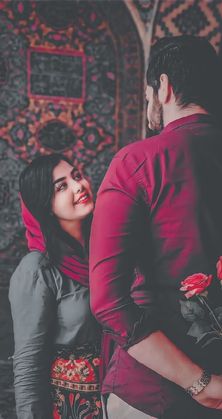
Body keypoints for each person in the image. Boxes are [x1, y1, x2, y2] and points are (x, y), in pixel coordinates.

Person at [89, 35, 222, 419]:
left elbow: (107, 300)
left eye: (149, 92)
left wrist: (201, 383)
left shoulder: (137, 161)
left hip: (152, 395)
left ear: (164, 87)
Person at [9, 154, 103, 419]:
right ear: (45, 205)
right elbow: (28, 366)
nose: (79, 186)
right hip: (70, 408)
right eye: (61, 186)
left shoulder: (109, 252)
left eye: (77, 176)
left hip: (125, 400)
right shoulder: (37, 269)